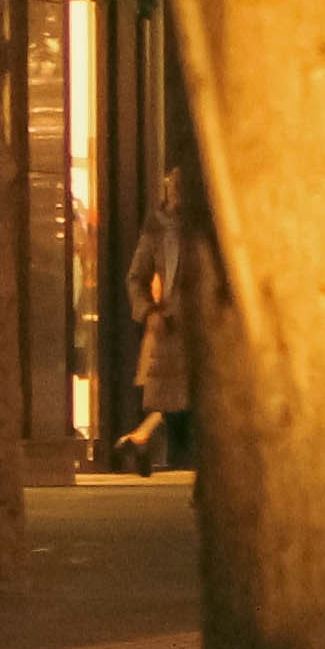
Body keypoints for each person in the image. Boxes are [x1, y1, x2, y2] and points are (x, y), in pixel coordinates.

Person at [116, 165, 201, 472]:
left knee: (183, 397)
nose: (176, 192)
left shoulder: (202, 227)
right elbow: (136, 277)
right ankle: (143, 440)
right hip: (169, 327)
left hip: (195, 327)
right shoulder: (158, 228)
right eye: (173, 186)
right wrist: (149, 311)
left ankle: (141, 439)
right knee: (173, 397)